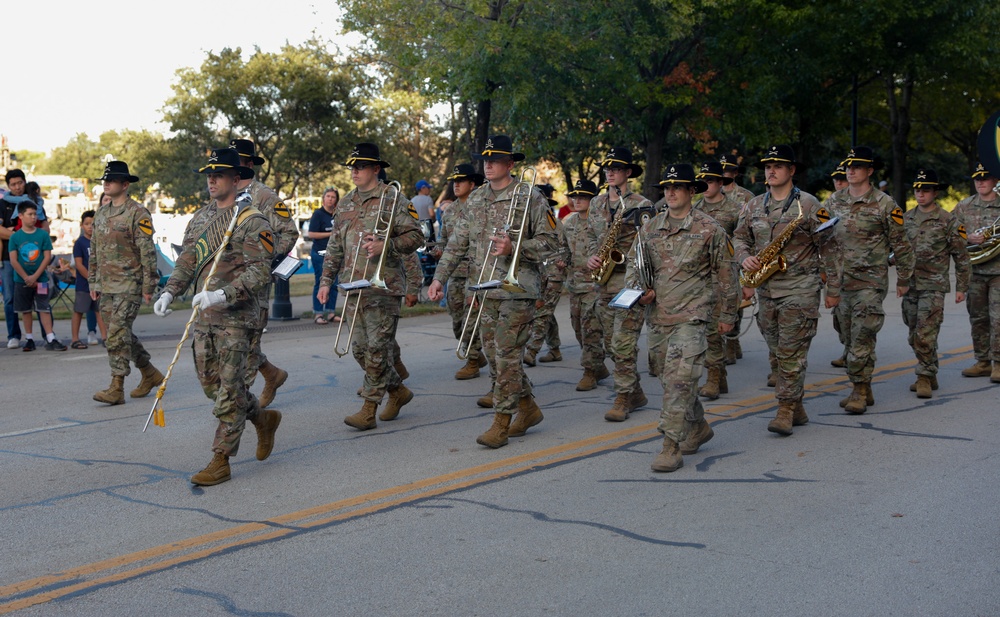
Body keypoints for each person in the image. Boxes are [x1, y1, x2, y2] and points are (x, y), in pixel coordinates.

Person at [154, 147, 280, 486]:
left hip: (238, 319)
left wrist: (224, 293)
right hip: (205, 317)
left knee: (229, 390)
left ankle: (220, 459)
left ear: (236, 180)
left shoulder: (252, 220)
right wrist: (170, 291)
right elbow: (187, 261)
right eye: (209, 175)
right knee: (212, 386)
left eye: (219, 175)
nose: (212, 180)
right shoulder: (200, 218)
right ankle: (261, 418)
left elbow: (259, 273)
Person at [428, 135, 560, 448]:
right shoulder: (476, 199)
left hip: (518, 290)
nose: (487, 165)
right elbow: (457, 243)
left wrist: (517, 247)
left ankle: (501, 422)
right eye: (485, 160)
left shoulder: (531, 197)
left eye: (495, 160)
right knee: (497, 357)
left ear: (510, 164)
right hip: (484, 288)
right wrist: (439, 278)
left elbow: (552, 244)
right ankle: (528, 409)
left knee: (507, 356)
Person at [629, 163, 738, 471]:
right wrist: (640, 292)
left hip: (693, 317)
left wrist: (728, 313)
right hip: (659, 317)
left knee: (679, 382)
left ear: (692, 191)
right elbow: (635, 269)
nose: (671, 192)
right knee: (673, 381)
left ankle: (670, 445)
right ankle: (698, 426)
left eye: (678, 187)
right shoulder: (649, 228)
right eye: (667, 187)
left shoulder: (709, 229)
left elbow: (726, 274)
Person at [733, 145, 840, 435]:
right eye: (768, 165)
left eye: (778, 165)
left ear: (791, 170)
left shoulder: (809, 204)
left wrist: (834, 288)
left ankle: (785, 408)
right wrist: (744, 258)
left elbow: (829, 247)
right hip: (766, 289)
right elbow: (739, 237)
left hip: (800, 288)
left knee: (792, 351)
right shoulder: (754, 205)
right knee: (778, 352)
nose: (771, 170)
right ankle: (798, 406)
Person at [317, 143, 423, 430]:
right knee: (360, 351)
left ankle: (368, 408)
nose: (354, 171)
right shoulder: (346, 202)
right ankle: (398, 391)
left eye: (360, 166)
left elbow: (416, 236)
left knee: (377, 350)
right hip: (354, 286)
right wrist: (326, 281)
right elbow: (335, 246)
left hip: (384, 287)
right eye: (352, 166)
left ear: (376, 168)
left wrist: (386, 244)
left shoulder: (393, 198)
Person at [824, 146, 914, 414]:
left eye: (857, 167)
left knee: (862, 337)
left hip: (870, 284)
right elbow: (824, 239)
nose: (850, 171)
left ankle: (859, 390)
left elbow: (901, 244)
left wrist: (904, 278)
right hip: (841, 283)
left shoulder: (885, 204)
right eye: (848, 167)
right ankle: (865, 386)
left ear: (870, 171)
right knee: (848, 338)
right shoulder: (833, 202)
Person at [586, 146, 655, 422]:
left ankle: (624, 397)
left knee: (623, 342)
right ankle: (635, 390)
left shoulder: (642, 204)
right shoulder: (595, 203)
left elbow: (651, 245)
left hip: (631, 281)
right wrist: (592, 255)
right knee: (610, 344)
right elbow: (592, 236)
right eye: (608, 168)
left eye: (617, 168)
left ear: (628, 172)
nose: (611, 172)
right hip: (603, 281)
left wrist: (649, 284)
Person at [230, 138, 298, 409]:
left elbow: (289, 232)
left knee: (247, 339)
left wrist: (264, 259)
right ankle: (272, 374)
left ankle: (239, 405)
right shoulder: (226, 195)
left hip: (255, 281)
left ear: (247, 164)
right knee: (237, 339)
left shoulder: (265, 196)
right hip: (228, 280)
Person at [88, 162, 162, 404]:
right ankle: (150, 373)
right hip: (106, 285)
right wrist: (92, 281)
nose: (106, 183)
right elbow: (94, 250)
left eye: (112, 180)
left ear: (125, 184)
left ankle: (116, 387)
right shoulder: (101, 213)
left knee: (117, 335)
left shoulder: (137, 213)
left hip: (130, 284)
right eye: (105, 180)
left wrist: (149, 285)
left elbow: (147, 251)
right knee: (119, 334)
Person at [902, 169, 970, 397]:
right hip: (910, 285)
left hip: (934, 285)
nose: (921, 194)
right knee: (914, 334)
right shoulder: (906, 218)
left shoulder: (948, 221)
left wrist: (962, 287)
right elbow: (899, 250)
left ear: (936, 193)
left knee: (925, 333)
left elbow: (961, 256)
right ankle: (930, 373)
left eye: (926, 190)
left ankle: (923, 376)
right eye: (917, 190)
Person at [694, 161, 743, 399]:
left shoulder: (735, 209)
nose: (705, 185)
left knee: (715, 330)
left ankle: (713, 378)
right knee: (703, 330)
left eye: (710, 180)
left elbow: (744, 242)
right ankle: (719, 376)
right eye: (702, 181)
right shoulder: (693, 209)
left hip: (723, 277)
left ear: (721, 183)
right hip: (698, 278)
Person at [438, 163, 488, 380]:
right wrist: (437, 251)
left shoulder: (481, 206)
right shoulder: (449, 211)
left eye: (460, 181)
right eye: (454, 181)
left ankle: (473, 359)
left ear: (472, 183)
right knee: (458, 322)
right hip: (455, 273)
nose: (456, 185)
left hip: (475, 273)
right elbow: (443, 241)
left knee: (471, 319)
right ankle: (474, 352)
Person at [953, 162, 1000, 380]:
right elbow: (950, 232)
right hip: (974, 271)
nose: (981, 182)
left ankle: (998, 363)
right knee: (978, 318)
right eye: (977, 179)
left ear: (995, 180)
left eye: (986, 178)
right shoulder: (964, 206)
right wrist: (969, 237)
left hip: (999, 271)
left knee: (998, 318)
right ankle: (982, 361)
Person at [563, 179, 609, 391]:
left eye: (583, 196)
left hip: (593, 286)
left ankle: (590, 372)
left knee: (591, 330)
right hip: (574, 286)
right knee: (578, 329)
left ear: (592, 199)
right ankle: (598, 365)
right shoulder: (569, 222)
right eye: (575, 196)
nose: (577, 200)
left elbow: (605, 248)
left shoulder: (598, 221)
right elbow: (562, 247)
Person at [8, 201, 66, 351]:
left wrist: (35, 276)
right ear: (21, 216)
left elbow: (47, 257)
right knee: (26, 309)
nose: (34, 217)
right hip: (21, 281)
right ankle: (29, 339)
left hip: (41, 279)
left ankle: (50, 337)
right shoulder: (15, 237)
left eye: (35, 214)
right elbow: (13, 260)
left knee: (44, 308)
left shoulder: (42, 235)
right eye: (30, 214)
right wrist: (26, 277)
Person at [524, 183, 569, 365]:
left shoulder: (553, 223)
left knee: (542, 313)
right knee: (546, 312)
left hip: (553, 274)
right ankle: (555, 349)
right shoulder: (528, 223)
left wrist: (563, 261)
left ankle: (531, 351)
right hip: (537, 274)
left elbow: (565, 246)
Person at [69, 209, 108, 349]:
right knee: (79, 310)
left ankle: (105, 337)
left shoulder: (100, 242)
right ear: (82, 225)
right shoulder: (80, 243)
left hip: (100, 284)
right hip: (84, 284)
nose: (90, 226)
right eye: (87, 224)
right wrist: (91, 279)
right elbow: (78, 264)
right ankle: (75, 339)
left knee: (100, 311)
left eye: (93, 223)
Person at [2, 169, 31, 347]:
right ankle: (13, 335)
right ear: (8, 186)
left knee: (37, 297)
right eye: (13, 184)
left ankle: (45, 334)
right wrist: (21, 236)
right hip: (7, 257)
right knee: (9, 297)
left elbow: (44, 230)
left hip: (31, 257)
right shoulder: (2, 204)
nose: (17, 187)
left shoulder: (33, 201)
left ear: (25, 182)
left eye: (20, 183)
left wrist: (12, 233)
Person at [308, 187, 340, 324]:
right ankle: (318, 313)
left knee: (334, 283)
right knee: (320, 282)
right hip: (319, 253)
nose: (330, 199)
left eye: (333, 197)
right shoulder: (318, 214)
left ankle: (331, 312)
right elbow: (311, 234)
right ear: (323, 198)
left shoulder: (337, 214)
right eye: (328, 196)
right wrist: (330, 234)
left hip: (335, 254)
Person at [829, 161, 850, 367]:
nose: (839, 183)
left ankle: (855, 353)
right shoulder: (831, 203)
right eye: (836, 180)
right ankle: (848, 348)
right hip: (837, 270)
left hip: (863, 273)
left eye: (842, 179)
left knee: (860, 318)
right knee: (840, 316)